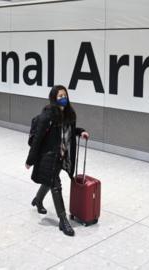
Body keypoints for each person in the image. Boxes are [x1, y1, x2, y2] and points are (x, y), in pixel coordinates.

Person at [25, 85, 89, 237]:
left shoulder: (69, 114)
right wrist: (30, 160)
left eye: (64, 95)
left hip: (62, 155)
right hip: (48, 156)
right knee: (56, 184)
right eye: (59, 96)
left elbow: (69, 131)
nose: (63, 98)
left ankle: (38, 200)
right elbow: (38, 139)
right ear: (54, 98)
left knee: (49, 180)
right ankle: (63, 220)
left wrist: (80, 131)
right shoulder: (48, 116)